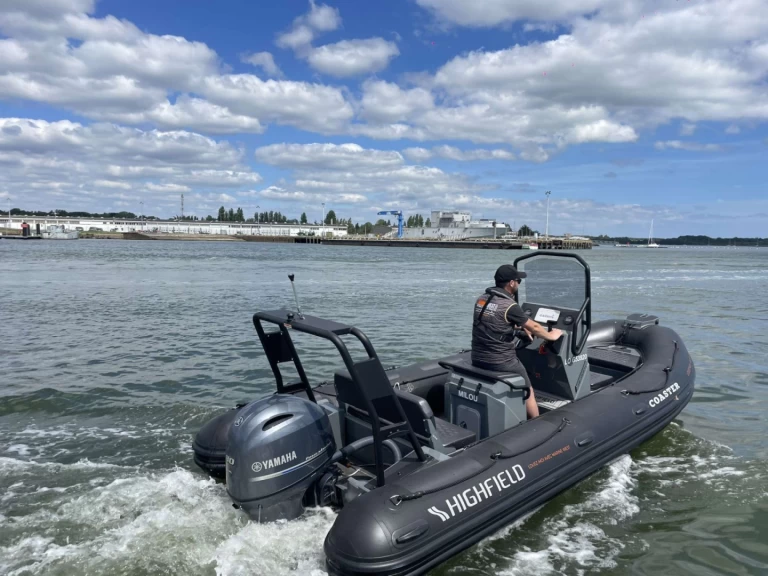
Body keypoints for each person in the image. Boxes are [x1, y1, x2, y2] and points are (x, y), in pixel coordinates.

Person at [472, 264, 564, 419]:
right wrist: (552, 336)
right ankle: (536, 421)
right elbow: (535, 327)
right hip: (500, 360)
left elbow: (493, 323)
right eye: (518, 280)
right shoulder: (509, 305)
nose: (519, 283)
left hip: (478, 356)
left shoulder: (481, 299)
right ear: (511, 283)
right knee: (528, 387)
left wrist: (518, 328)